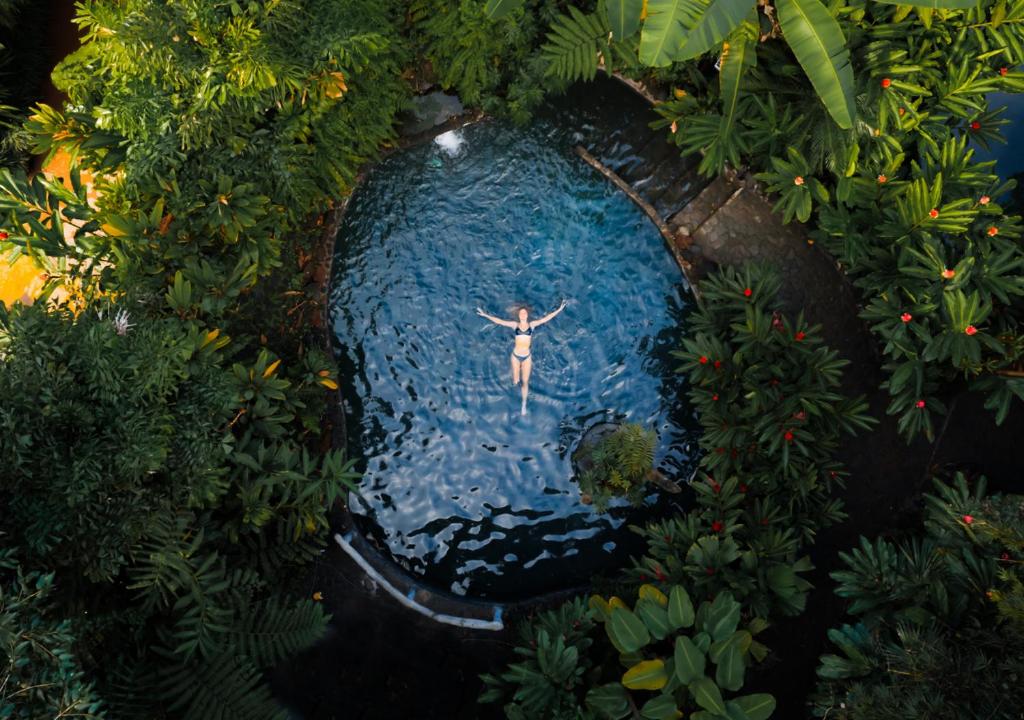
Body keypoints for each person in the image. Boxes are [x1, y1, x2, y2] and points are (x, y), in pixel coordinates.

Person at [476, 300, 568, 414]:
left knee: (525, 381)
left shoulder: (532, 325)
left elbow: (546, 319)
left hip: (527, 357)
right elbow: (500, 321)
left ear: (527, 315)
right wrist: (485, 315)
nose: (523, 315)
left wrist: (559, 309)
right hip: (515, 356)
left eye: (524, 313)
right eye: (521, 313)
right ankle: (514, 377)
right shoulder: (515, 325)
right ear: (519, 316)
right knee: (516, 381)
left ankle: (523, 404)